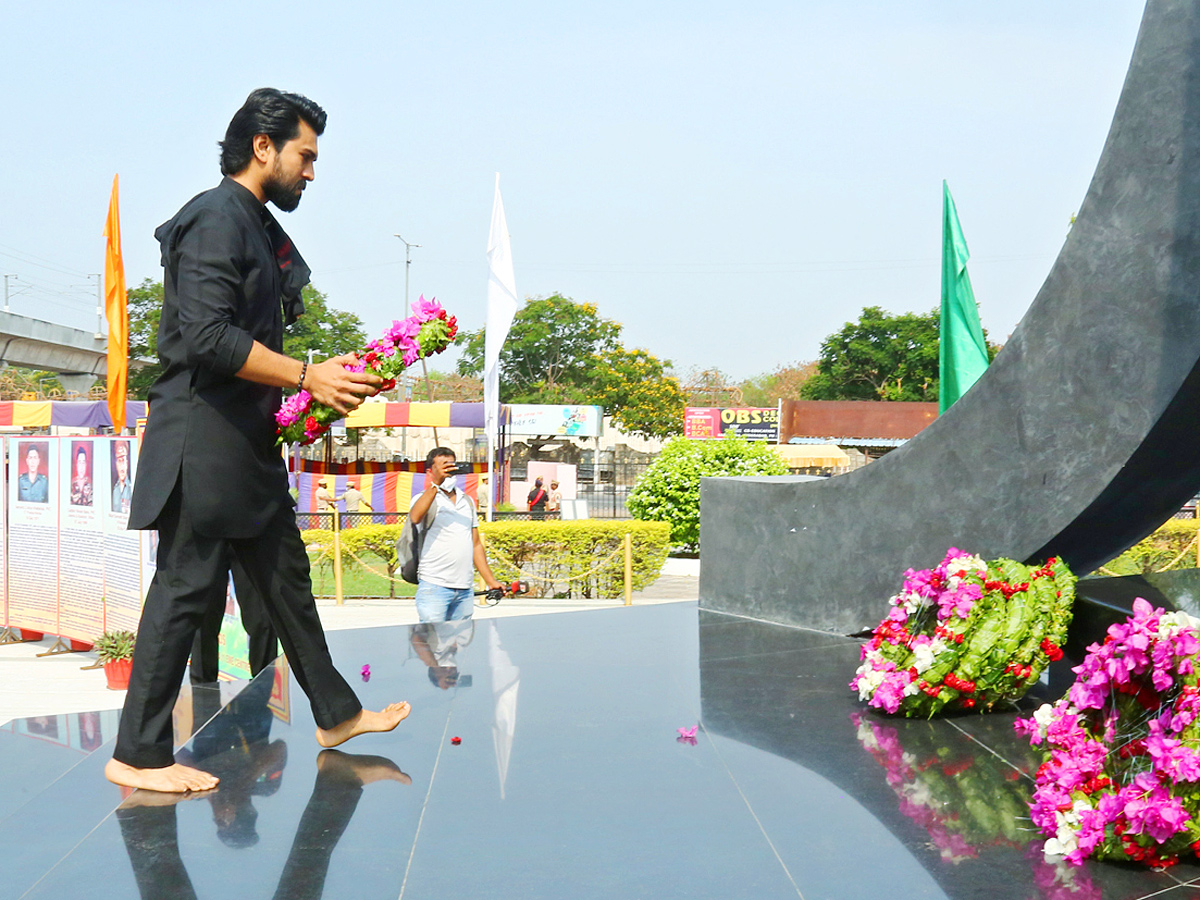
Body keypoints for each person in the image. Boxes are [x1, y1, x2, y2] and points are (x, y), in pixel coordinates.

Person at [106, 88, 410, 795]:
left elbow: (250, 346)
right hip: (203, 440)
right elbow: (206, 338)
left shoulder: (253, 223)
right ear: (263, 147)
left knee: (285, 580)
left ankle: (334, 714)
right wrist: (308, 373)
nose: (311, 171)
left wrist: (313, 395)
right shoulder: (216, 219)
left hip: (244, 443)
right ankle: (139, 753)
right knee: (186, 589)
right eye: (305, 155)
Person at [408, 447, 504, 622]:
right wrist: (436, 485)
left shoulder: (466, 501)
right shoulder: (424, 498)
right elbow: (415, 517)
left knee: (458, 644)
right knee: (431, 643)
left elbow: (475, 544)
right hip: (434, 586)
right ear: (430, 471)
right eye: (444, 467)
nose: (449, 471)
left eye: (452, 466)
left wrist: (491, 581)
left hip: (464, 589)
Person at [111, 440, 133, 513]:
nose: (122, 467)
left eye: (123, 460)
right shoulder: (112, 489)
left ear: (127, 463)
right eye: (119, 461)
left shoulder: (132, 487)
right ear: (116, 464)